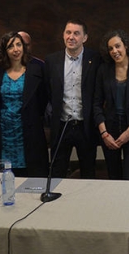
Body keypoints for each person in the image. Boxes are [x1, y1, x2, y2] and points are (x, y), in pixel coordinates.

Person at [44, 19, 101, 178]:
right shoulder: (52, 61)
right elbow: (48, 91)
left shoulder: (95, 59)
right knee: (58, 171)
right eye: (68, 32)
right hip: (62, 125)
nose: (71, 37)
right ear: (63, 35)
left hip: (86, 126)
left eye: (76, 33)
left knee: (88, 171)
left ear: (85, 37)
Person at [93, 30, 129, 180]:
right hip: (109, 131)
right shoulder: (103, 70)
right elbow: (96, 103)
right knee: (113, 178)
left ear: (126, 46)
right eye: (111, 48)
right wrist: (104, 134)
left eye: (117, 46)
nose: (114, 51)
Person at [0, 32, 49, 177]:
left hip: (29, 129)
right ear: (5, 50)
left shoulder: (36, 71)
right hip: (4, 131)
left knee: (32, 172)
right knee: (5, 174)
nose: (16, 49)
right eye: (11, 46)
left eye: (18, 44)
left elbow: (43, 100)